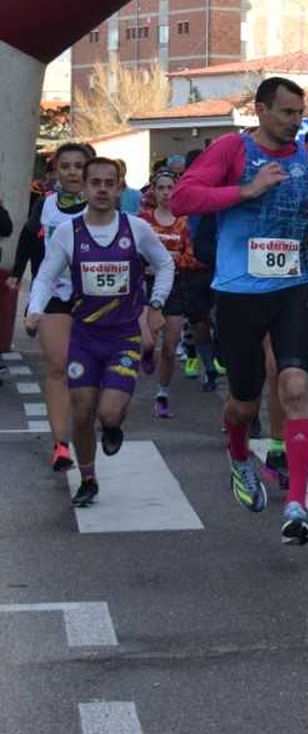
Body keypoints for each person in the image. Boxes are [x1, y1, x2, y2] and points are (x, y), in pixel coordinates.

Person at [171, 77, 308, 545]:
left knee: (294, 383)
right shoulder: (232, 150)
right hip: (238, 292)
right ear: (261, 110)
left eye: (299, 114)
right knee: (244, 402)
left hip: (292, 286)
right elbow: (182, 198)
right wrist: (243, 192)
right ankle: (238, 455)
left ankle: (297, 505)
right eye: (287, 113)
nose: (295, 123)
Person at [24, 158, 173, 506]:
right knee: (81, 409)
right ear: (86, 187)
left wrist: (156, 303)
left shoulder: (135, 228)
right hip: (85, 337)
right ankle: (88, 478)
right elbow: (46, 276)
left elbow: (164, 263)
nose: (103, 189)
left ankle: (112, 426)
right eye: (96, 183)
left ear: (120, 188)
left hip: (123, 336)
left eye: (110, 182)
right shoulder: (68, 232)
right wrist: (34, 311)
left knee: (108, 413)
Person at [11, 143, 92, 471]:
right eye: (66, 166)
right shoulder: (45, 207)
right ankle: (61, 443)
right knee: (58, 366)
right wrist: (18, 275)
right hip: (56, 295)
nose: (72, 172)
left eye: (78, 166)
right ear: (56, 171)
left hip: (95, 298)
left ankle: (94, 423)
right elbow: (29, 239)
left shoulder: (103, 206)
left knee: (88, 375)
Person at [142, 170, 217, 412]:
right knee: (149, 340)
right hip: (145, 285)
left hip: (174, 286)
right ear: (152, 190)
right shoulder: (142, 220)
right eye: (161, 188)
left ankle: (162, 394)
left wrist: (173, 262)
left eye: (170, 188)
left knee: (170, 345)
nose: (165, 193)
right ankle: (146, 350)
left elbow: (191, 254)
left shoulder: (183, 221)